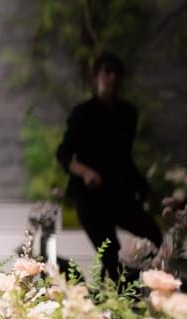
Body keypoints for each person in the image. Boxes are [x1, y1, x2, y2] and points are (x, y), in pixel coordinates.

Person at [55, 52, 162, 285]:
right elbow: (63, 154)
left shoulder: (127, 113)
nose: (113, 78)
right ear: (96, 77)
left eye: (117, 73)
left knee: (153, 234)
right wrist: (86, 172)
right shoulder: (82, 113)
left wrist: (146, 191)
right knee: (111, 254)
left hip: (119, 194)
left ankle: (141, 283)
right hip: (91, 199)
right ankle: (117, 293)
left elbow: (125, 160)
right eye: (107, 72)